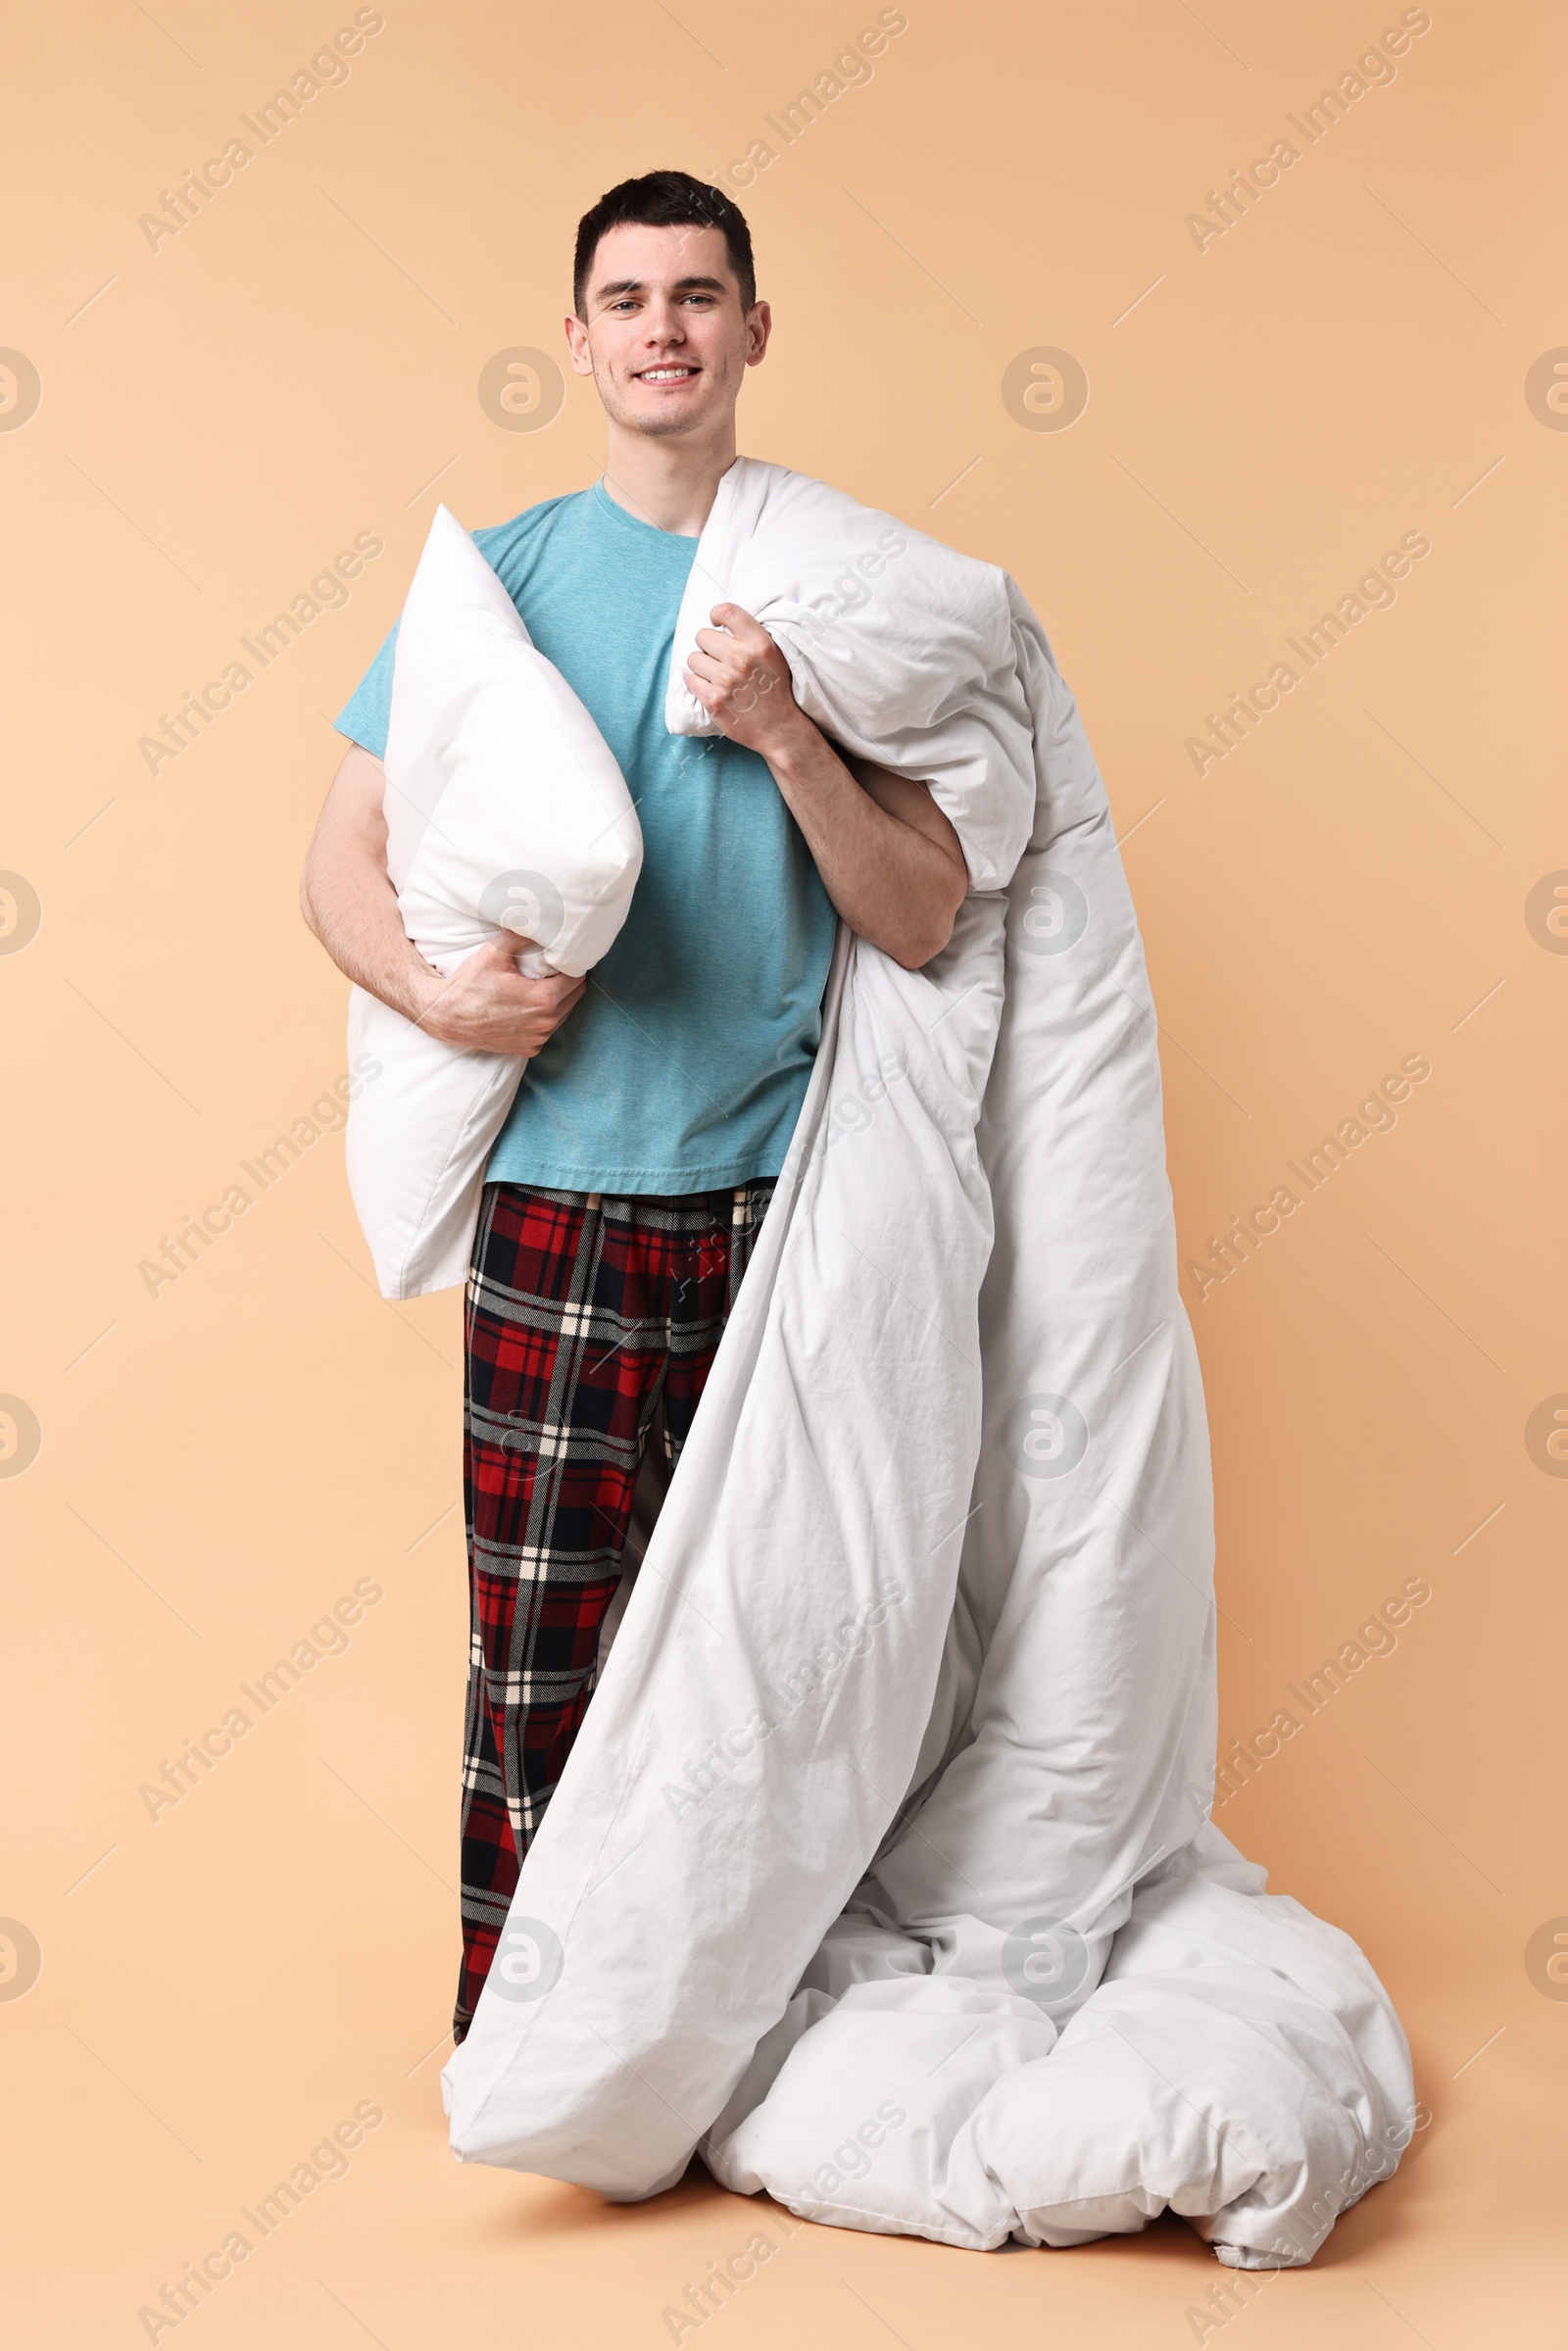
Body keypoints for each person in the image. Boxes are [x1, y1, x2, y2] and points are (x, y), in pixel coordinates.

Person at [300, 170, 968, 2040]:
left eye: (699, 294)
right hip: (564, 1198)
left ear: (758, 330)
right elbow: (338, 859)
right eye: (627, 298)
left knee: (789, 1650)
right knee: (540, 1660)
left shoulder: (836, 592)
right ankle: (532, 2050)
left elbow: (921, 911)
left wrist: (779, 730)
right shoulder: (496, 582)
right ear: (577, 340)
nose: (663, 327)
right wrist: (434, 989)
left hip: (788, 1200)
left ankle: (741, 2039)